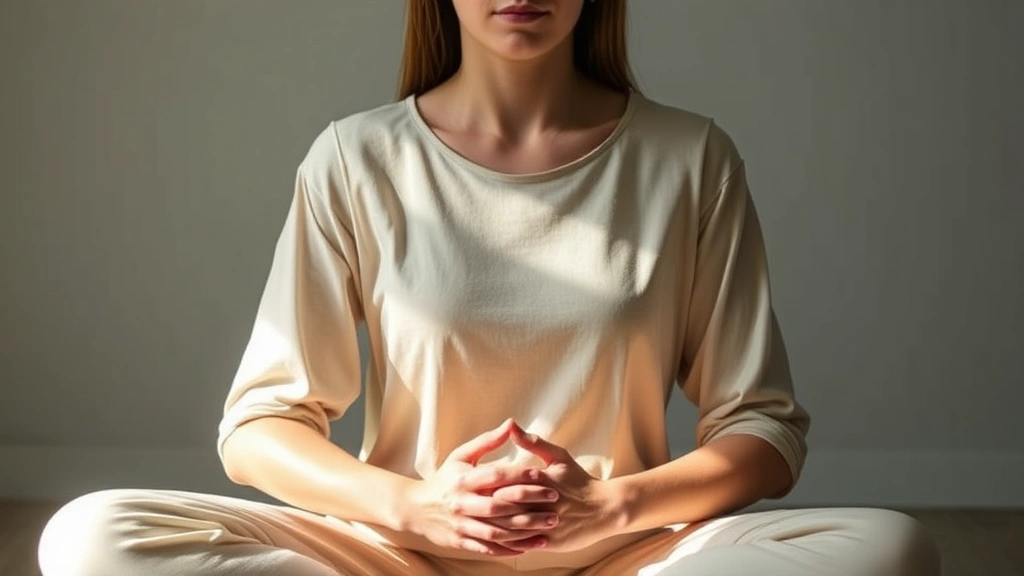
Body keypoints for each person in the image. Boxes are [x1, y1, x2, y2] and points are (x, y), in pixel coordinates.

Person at [38, 1, 941, 574]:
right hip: (400, 556)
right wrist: (416, 508)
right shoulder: (356, 159)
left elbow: (764, 430)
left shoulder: (690, 158)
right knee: (92, 536)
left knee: (889, 549)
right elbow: (259, 427)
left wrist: (611, 507)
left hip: (626, 558)